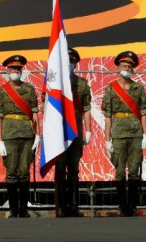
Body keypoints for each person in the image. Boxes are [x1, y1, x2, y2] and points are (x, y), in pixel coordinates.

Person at [102, 50, 146, 216]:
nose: (127, 68)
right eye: (124, 65)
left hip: (136, 134)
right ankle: (123, 206)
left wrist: (145, 134)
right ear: (119, 67)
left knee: (135, 170)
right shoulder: (111, 89)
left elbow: (143, 113)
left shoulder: (138, 88)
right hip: (119, 134)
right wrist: (107, 139)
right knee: (120, 171)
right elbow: (108, 117)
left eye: (129, 66)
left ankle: (133, 206)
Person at [0, 55, 39, 218]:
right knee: (11, 172)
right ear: (7, 70)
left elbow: (34, 114)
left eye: (18, 69)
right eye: (13, 69)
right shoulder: (2, 91)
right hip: (10, 135)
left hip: (27, 134)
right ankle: (13, 209)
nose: (15, 72)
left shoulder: (29, 89)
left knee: (25, 172)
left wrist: (37, 135)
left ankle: (23, 209)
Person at [54, 48, 92, 217]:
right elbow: (48, 107)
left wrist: (89, 130)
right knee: (60, 169)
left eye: (72, 62)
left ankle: (74, 205)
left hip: (75, 132)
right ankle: (62, 206)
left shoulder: (82, 84)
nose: (69, 64)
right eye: (66, 61)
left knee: (74, 169)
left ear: (75, 64)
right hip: (59, 132)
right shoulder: (54, 84)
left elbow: (86, 109)